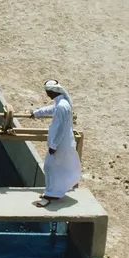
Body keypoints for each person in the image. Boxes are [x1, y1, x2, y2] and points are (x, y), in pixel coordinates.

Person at [31, 79, 81, 207]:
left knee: (49, 166)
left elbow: (60, 128)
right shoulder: (60, 104)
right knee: (56, 167)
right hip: (61, 143)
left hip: (60, 144)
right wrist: (36, 113)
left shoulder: (62, 106)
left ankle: (50, 194)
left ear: (52, 92)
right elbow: (50, 109)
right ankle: (54, 192)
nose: (47, 94)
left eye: (47, 92)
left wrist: (54, 145)